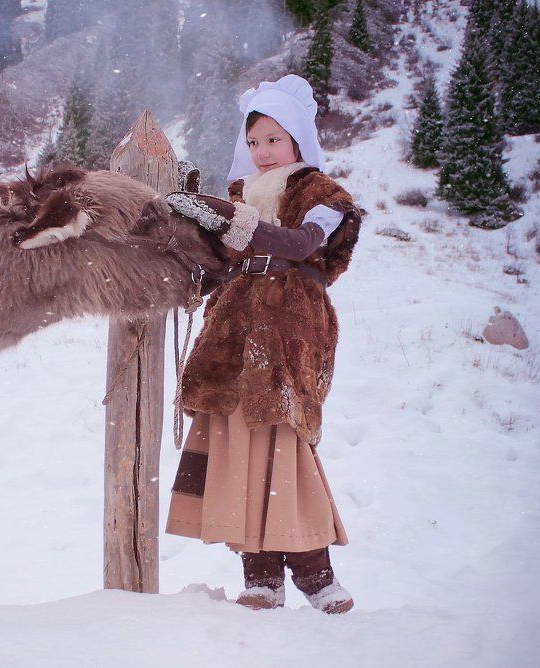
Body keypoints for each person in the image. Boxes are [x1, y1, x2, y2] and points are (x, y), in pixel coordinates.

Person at [164, 74, 362, 613]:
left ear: (298, 138)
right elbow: (222, 262)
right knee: (236, 443)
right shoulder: (237, 195)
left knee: (285, 440)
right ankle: (261, 578)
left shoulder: (324, 195)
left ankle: (317, 576)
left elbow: (301, 244)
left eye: (274, 139)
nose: (263, 152)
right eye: (254, 142)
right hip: (233, 330)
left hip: (291, 327)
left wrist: (234, 221)